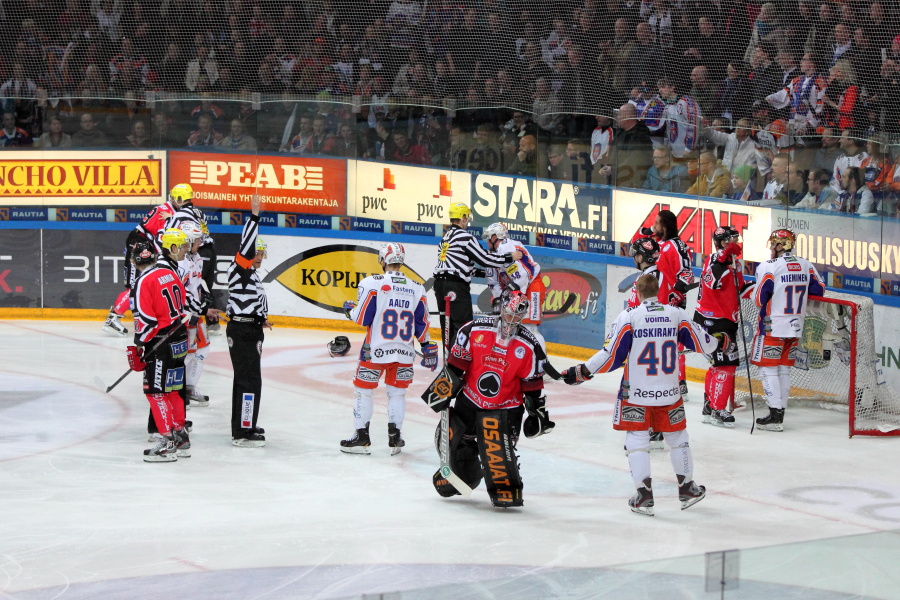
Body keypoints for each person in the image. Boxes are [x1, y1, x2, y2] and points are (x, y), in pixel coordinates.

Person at [561, 274, 718, 515]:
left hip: (637, 393)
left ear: (639, 293)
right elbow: (704, 342)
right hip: (669, 392)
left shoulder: (629, 317)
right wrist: (720, 342)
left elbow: (611, 356)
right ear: (659, 291)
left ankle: (644, 496)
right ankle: (687, 489)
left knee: (637, 441)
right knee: (678, 438)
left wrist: (582, 371)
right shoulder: (675, 314)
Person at [429, 291, 552, 507]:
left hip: (506, 408)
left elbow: (532, 385)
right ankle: (468, 467)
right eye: (509, 313)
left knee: (501, 464)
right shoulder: (473, 329)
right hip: (470, 401)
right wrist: (442, 392)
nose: (511, 320)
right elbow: (457, 366)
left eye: (517, 316)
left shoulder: (530, 345)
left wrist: (537, 413)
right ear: (501, 308)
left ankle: (504, 474)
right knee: (456, 459)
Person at [339, 243, 437, 455]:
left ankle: (362, 438)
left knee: (364, 392)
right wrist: (427, 346)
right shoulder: (417, 287)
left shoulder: (372, 283)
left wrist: (349, 311)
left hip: (374, 350)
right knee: (397, 393)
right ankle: (395, 438)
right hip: (404, 352)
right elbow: (422, 324)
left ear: (383, 260)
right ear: (401, 261)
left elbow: (363, 317)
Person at [127, 228, 192, 462]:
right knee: (174, 389)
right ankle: (180, 434)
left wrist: (140, 346)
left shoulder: (143, 281)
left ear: (134, 262)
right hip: (179, 338)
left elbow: (145, 319)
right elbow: (183, 304)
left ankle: (166, 441)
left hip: (160, 342)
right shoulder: (169, 272)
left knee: (155, 392)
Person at [751, 228, 826, 431]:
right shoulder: (805, 264)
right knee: (784, 369)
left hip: (772, 326)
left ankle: (775, 415)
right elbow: (819, 288)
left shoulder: (768, 266)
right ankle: (780, 410)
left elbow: (759, 299)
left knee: (768, 370)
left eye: (773, 244)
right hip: (795, 326)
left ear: (778, 245)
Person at [103, 184, 190, 336]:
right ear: (173, 197)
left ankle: (116, 314)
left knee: (143, 283)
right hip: (139, 244)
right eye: (181, 199)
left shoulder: (173, 212)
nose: (184, 202)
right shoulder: (165, 211)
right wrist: (160, 254)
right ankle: (114, 317)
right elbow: (158, 237)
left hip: (146, 245)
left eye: (186, 199)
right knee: (134, 284)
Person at [433, 203, 522, 352]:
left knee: (446, 326)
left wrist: (487, 274)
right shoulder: (465, 237)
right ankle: (457, 365)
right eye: (466, 217)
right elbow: (485, 259)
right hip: (456, 286)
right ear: (462, 218)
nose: (467, 221)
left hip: (440, 285)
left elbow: (462, 267)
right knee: (463, 326)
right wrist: (509, 257)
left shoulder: (445, 238)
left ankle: (448, 361)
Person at [226, 194, 271, 447]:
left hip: (248, 328)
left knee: (247, 378)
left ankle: (245, 424)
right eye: (256, 252)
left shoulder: (250, 276)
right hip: (243, 331)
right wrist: (254, 215)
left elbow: (249, 302)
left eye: (262, 253)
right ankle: (243, 431)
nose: (259, 256)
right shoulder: (241, 268)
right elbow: (246, 245)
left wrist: (260, 318)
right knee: (248, 379)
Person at [695, 227, 745, 427]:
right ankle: (718, 409)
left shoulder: (734, 263)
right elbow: (713, 281)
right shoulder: (714, 260)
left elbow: (738, 287)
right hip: (714, 321)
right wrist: (724, 256)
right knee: (726, 365)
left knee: (718, 364)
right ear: (723, 243)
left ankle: (710, 406)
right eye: (732, 240)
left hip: (724, 320)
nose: (736, 243)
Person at [653, 209, 694, 402]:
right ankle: (670, 381)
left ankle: (679, 383)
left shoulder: (673, 246)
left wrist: (675, 297)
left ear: (665, 226)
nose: (654, 226)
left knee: (673, 343)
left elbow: (686, 274)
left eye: (656, 223)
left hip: (670, 303)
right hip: (663, 301)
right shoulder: (665, 244)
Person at [178, 221, 219, 407]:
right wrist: (202, 309)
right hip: (185, 316)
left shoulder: (197, 258)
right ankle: (178, 390)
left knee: (201, 349)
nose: (200, 243)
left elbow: (198, 283)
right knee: (186, 354)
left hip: (195, 312)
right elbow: (182, 293)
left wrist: (206, 298)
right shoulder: (181, 264)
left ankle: (188, 388)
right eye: (196, 240)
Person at [482, 223, 545, 345]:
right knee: (508, 327)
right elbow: (493, 283)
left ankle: (539, 359)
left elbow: (521, 278)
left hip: (532, 287)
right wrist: (499, 299)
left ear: (494, 237)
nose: (486, 242)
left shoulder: (507, 248)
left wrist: (510, 299)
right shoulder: (490, 255)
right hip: (513, 290)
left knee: (528, 329)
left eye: (487, 238)